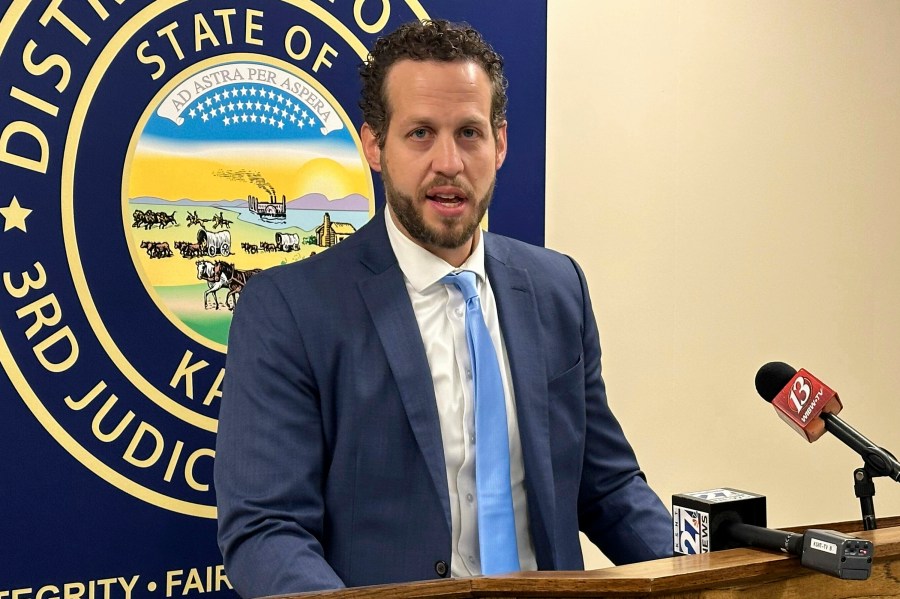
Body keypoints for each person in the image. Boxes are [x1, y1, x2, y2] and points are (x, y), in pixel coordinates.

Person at [214, 18, 672, 598]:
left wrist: (712, 576)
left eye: (470, 133)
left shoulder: (559, 287)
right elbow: (266, 530)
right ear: (374, 145)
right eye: (421, 134)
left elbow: (606, 488)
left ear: (500, 144)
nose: (449, 162)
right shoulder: (289, 311)